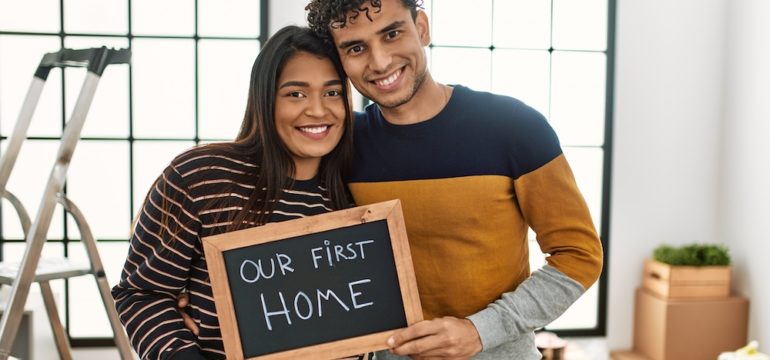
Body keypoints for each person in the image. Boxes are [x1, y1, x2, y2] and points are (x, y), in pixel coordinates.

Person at [304, 0, 605, 359]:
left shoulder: (515, 127)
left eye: (392, 33)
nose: (380, 61)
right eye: (356, 47)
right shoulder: (342, 147)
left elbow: (580, 255)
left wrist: (480, 331)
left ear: (422, 28)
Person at [111, 25, 354, 360]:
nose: (317, 110)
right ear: (264, 99)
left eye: (332, 93)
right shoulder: (201, 176)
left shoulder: (356, 197)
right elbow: (142, 294)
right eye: (295, 94)